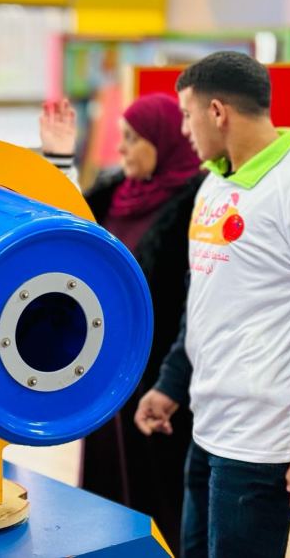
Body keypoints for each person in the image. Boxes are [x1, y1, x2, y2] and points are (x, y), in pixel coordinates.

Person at [133, 51, 290, 558]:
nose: (184, 130)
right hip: (207, 426)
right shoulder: (214, 185)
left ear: (217, 112)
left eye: (187, 115)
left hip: (264, 442)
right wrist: (171, 383)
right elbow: (207, 301)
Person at [40, 93, 203, 551]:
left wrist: (170, 380)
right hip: (104, 371)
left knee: (159, 494)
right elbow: (61, 232)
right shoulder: (114, 196)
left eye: (133, 138)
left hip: (162, 378)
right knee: (106, 492)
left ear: (163, 141)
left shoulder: (193, 206)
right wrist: (58, 159)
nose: (122, 148)